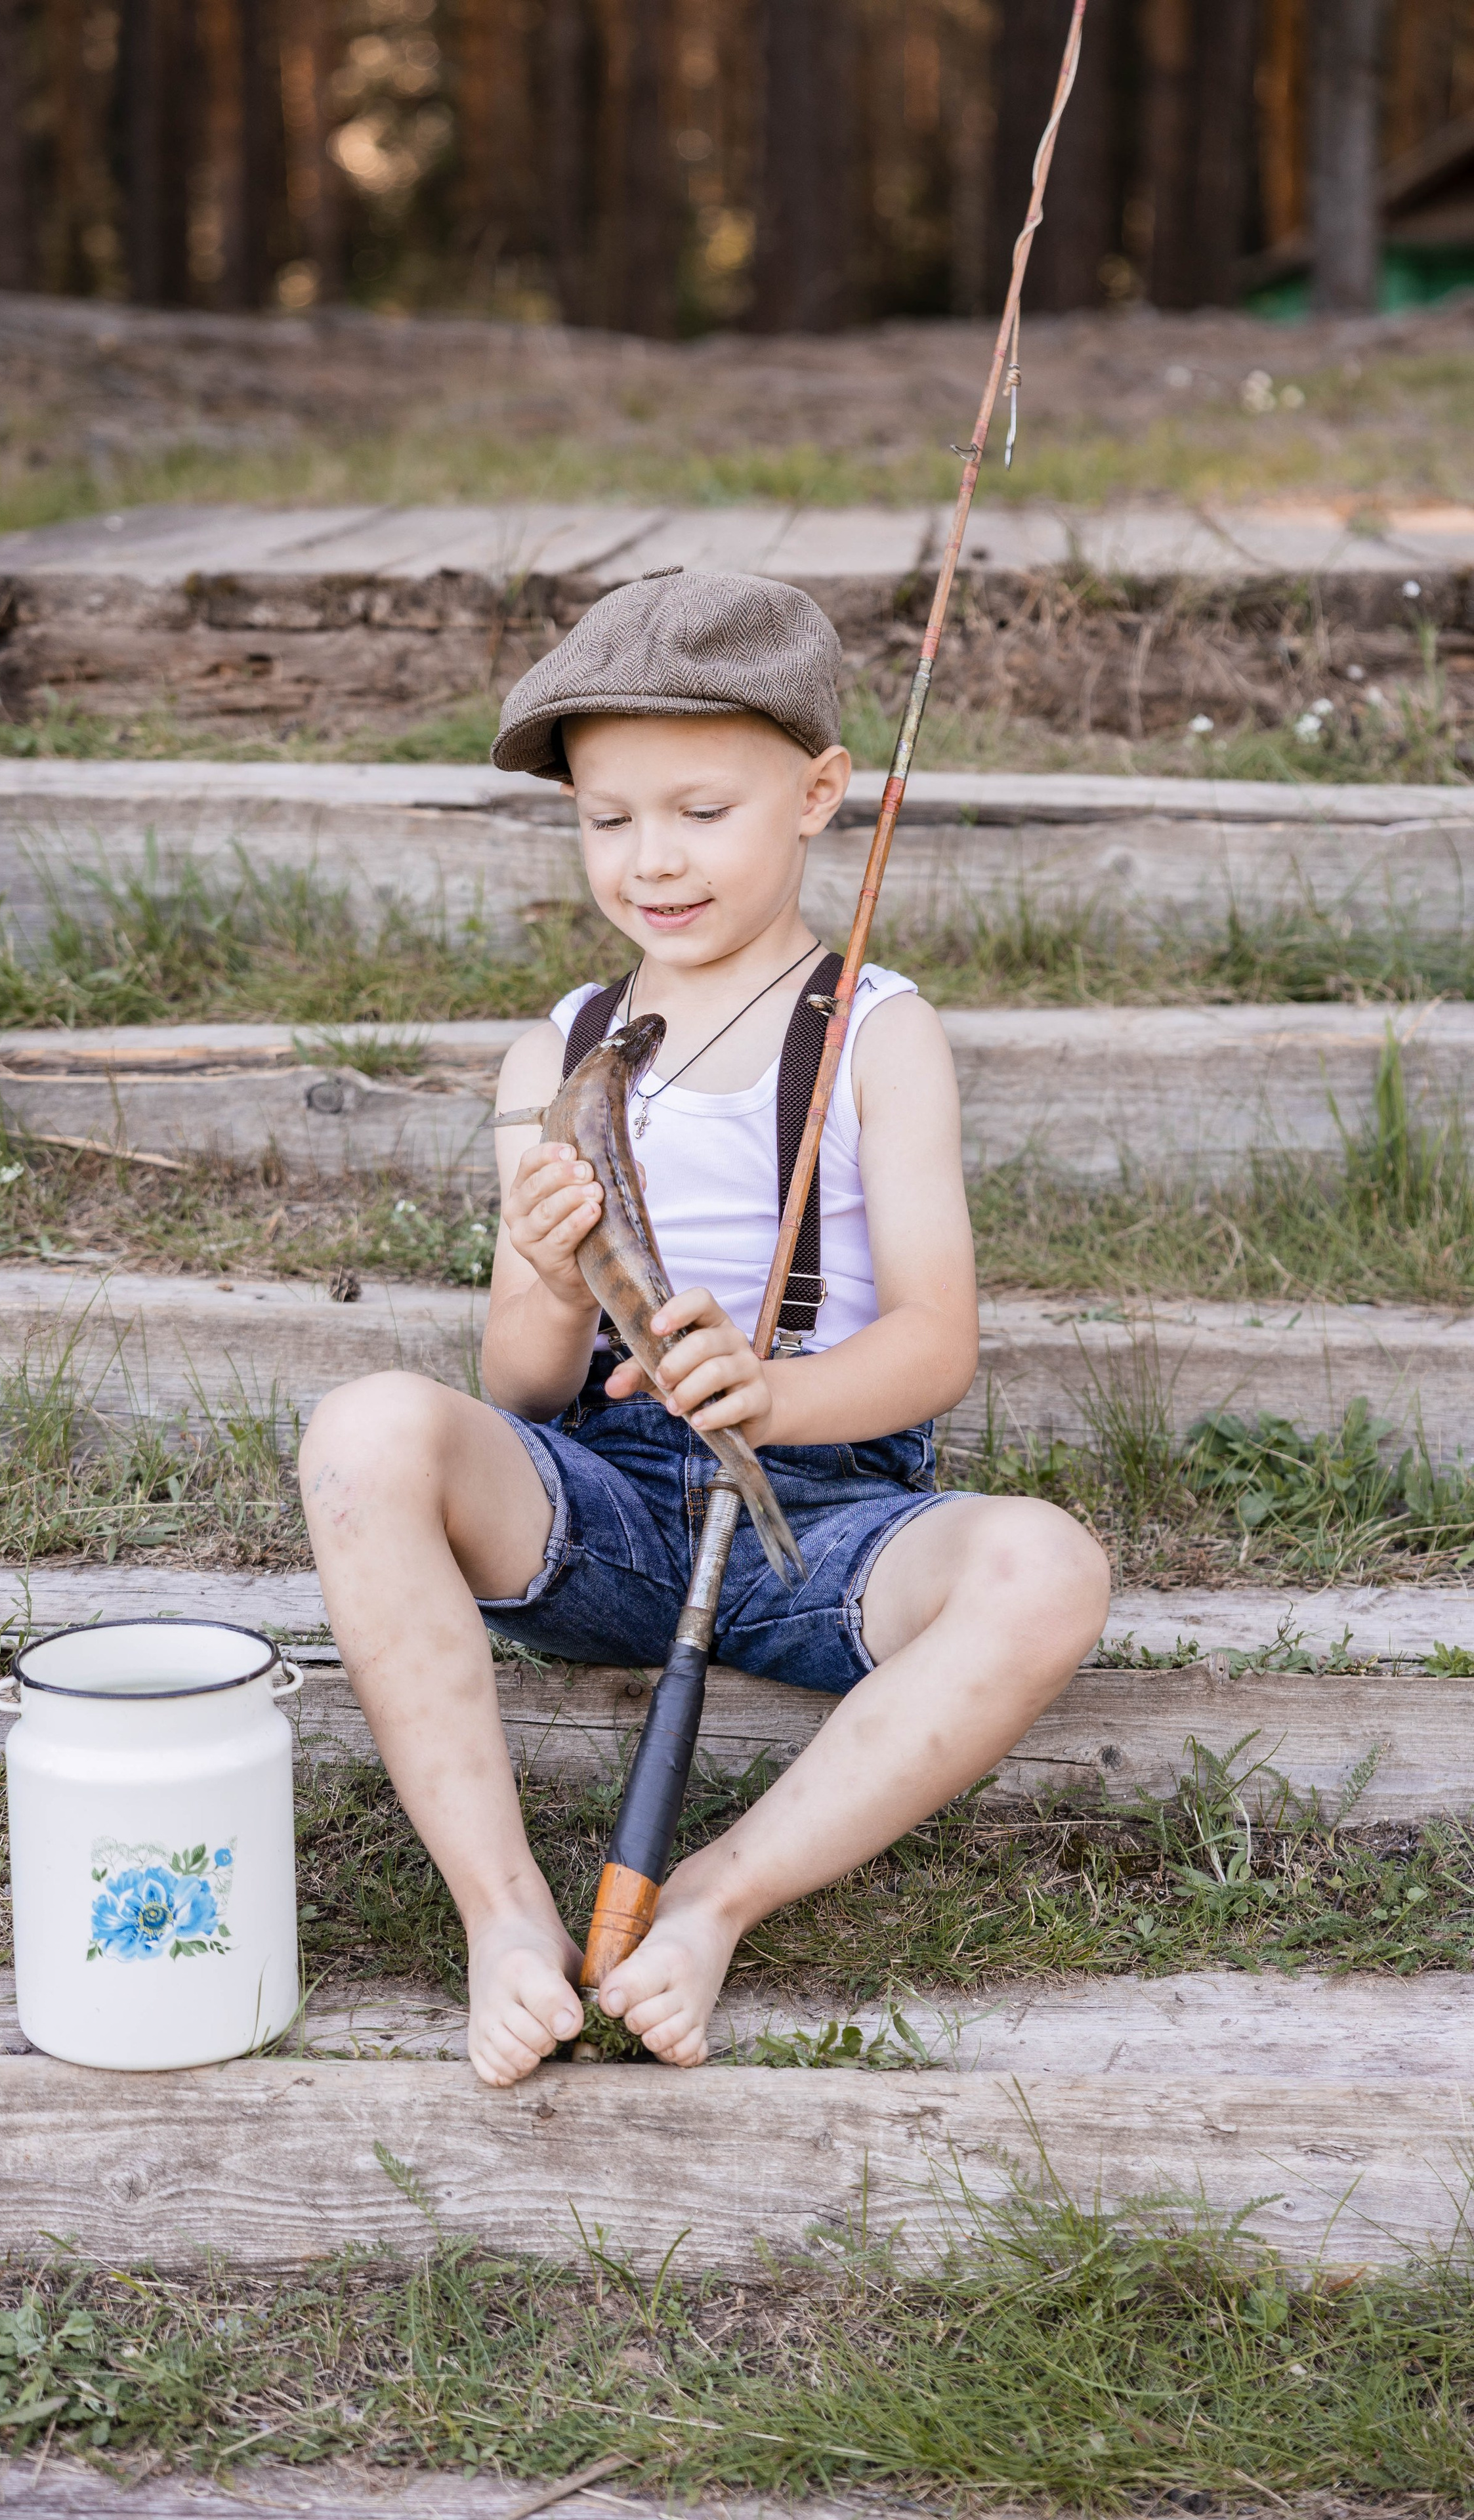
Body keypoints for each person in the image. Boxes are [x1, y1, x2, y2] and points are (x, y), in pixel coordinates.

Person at [302, 570, 1110, 2089]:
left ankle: (712, 1905)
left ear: (814, 796)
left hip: (825, 1523)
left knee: (1047, 1564)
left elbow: (935, 1340)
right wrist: (548, 1281)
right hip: (603, 1508)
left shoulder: (875, 1030)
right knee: (366, 1433)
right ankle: (502, 1915)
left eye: (698, 811)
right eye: (608, 820)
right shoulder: (559, 1050)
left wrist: (779, 1392)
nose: (650, 860)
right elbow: (520, 1385)